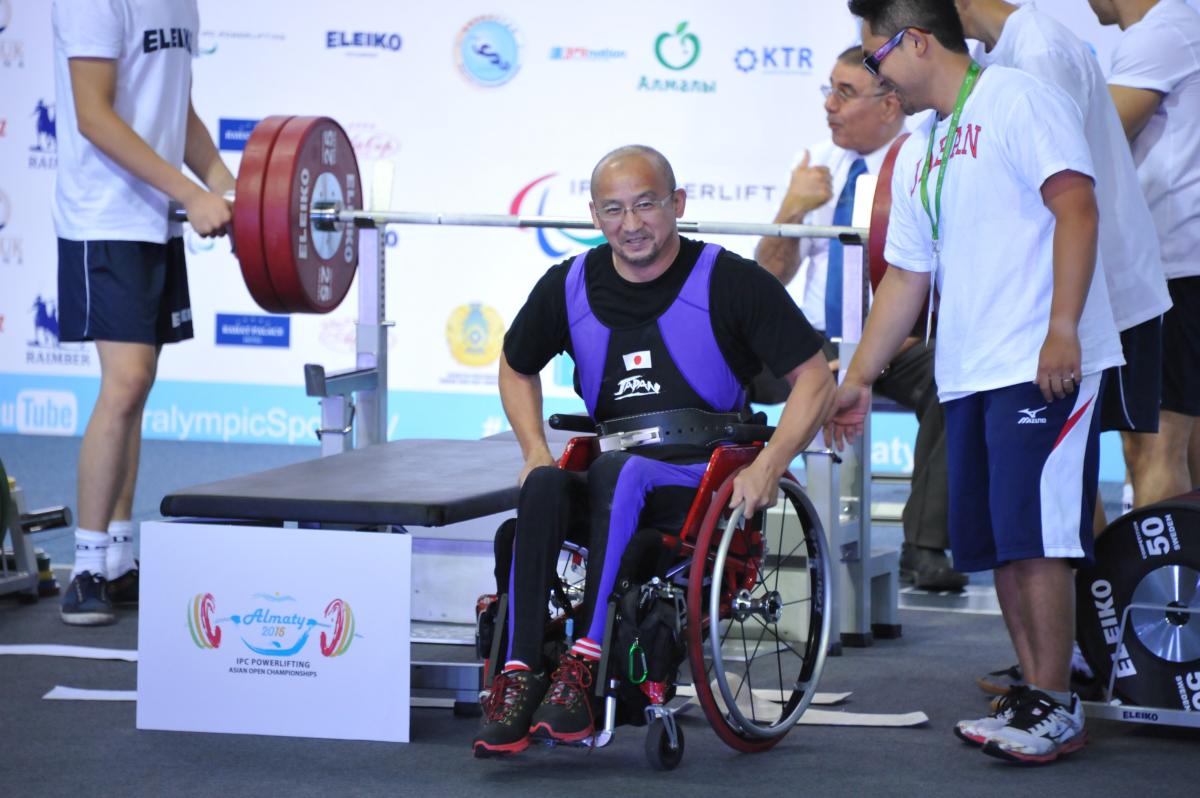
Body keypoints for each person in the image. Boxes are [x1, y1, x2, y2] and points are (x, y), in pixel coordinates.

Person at [473, 145, 835, 757]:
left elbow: (816, 378)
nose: (631, 224)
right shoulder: (568, 284)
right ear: (594, 215)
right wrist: (534, 447)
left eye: (646, 205)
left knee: (623, 470)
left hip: (700, 475)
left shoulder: (729, 280)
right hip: (617, 464)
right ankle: (519, 672)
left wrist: (770, 464)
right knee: (543, 484)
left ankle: (583, 667)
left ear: (678, 204)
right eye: (614, 209)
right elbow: (514, 367)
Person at [836, 0, 1124, 764]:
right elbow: (906, 276)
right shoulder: (928, 141)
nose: (875, 74)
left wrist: (1062, 328)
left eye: (876, 57)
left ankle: (1058, 703)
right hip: (969, 371)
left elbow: (1077, 207)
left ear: (917, 41)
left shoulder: (1020, 97)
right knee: (1000, 545)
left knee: (1038, 543)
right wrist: (859, 377)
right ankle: (1036, 694)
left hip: (1040, 363)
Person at [953, 0, 1172, 697]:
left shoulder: (1041, 47)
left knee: (1150, 460)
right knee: (1066, 496)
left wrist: (1062, 321)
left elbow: (1068, 192)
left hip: (1102, 294)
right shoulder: (996, 58)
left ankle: (1153, 654)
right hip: (1065, 302)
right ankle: (1086, 647)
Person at [755, 44, 965, 591]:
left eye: (844, 93)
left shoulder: (925, 163)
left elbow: (936, 281)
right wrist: (792, 209)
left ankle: (923, 545)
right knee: (715, 353)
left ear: (890, 105)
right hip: (811, 341)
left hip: (897, 339)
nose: (829, 104)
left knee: (951, 377)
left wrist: (867, 354)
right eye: (828, 89)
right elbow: (768, 277)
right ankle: (722, 519)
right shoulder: (819, 165)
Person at [53, 0, 233, 626]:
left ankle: (119, 560)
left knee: (139, 386)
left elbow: (174, 111)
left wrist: (226, 185)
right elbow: (94, 116)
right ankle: (84, 567)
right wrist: (189, 190)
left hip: (154, 216)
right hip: (102, 217)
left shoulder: (180, 3)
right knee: (124, 383)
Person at [1088, 0, 1200, 506]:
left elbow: (1091, 142)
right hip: (1182, 265)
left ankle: (1165, 587)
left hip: (1173, 270)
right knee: (1184, 447)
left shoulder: (1161, 34)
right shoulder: (1181, 27)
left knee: (1151, 448)